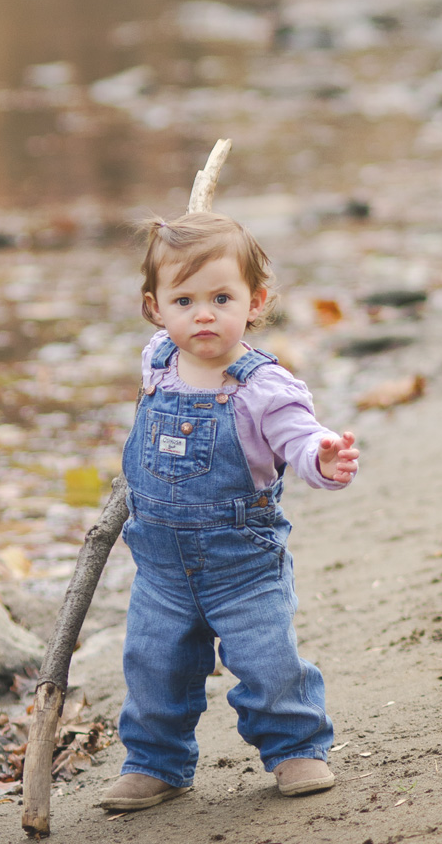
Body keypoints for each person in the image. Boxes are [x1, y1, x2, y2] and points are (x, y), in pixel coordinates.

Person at [100, 212, 359, 813]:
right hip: (161, 568)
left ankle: (296, 746)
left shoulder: (264, 386)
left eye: (222, 297)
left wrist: (323, 458)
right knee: (152, 667)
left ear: (256, 301)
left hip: (243, 565)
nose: (204, 314)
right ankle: (155, 762)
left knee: (269, 661)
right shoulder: (158, 361)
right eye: (184, 299)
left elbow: (299, 437)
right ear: (154, 308)